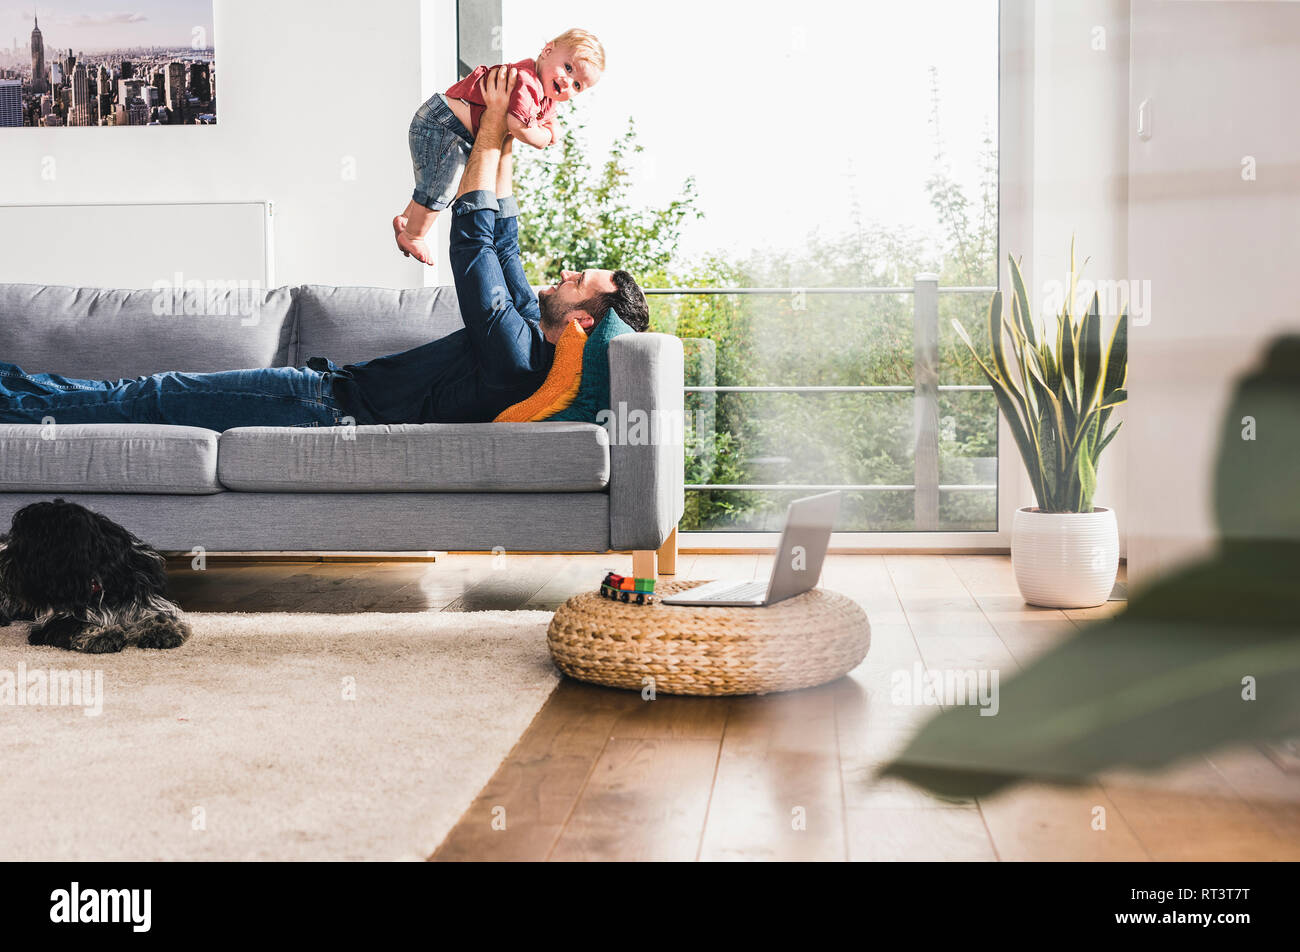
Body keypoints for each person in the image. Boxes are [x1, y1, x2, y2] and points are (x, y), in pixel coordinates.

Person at [0, 67, 648, 433]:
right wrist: (498, 137)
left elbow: (476, 243)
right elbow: (502, 239)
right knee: (150, 392)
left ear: (585, 319)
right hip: (322, 392)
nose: (564, 273)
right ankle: (16, 389)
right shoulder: (525, 335)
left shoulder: (514, 356)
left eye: (578, 279)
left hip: (318, 404)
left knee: (155, 395)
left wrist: (493, 129)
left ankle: (14, 404)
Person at [393, 27, 605, 265]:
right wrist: (544, 138)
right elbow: (517, 125)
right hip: (442, 123)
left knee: (439, 184)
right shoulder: (527, 82)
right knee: (441, 185)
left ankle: (407, 219)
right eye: (568, 68)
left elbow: (552, 121)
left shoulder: (545, 94)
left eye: (577, 85)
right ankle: (413, 235)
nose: (568, 83)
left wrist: (551, 128)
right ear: (547, 51)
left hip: (454, 131)